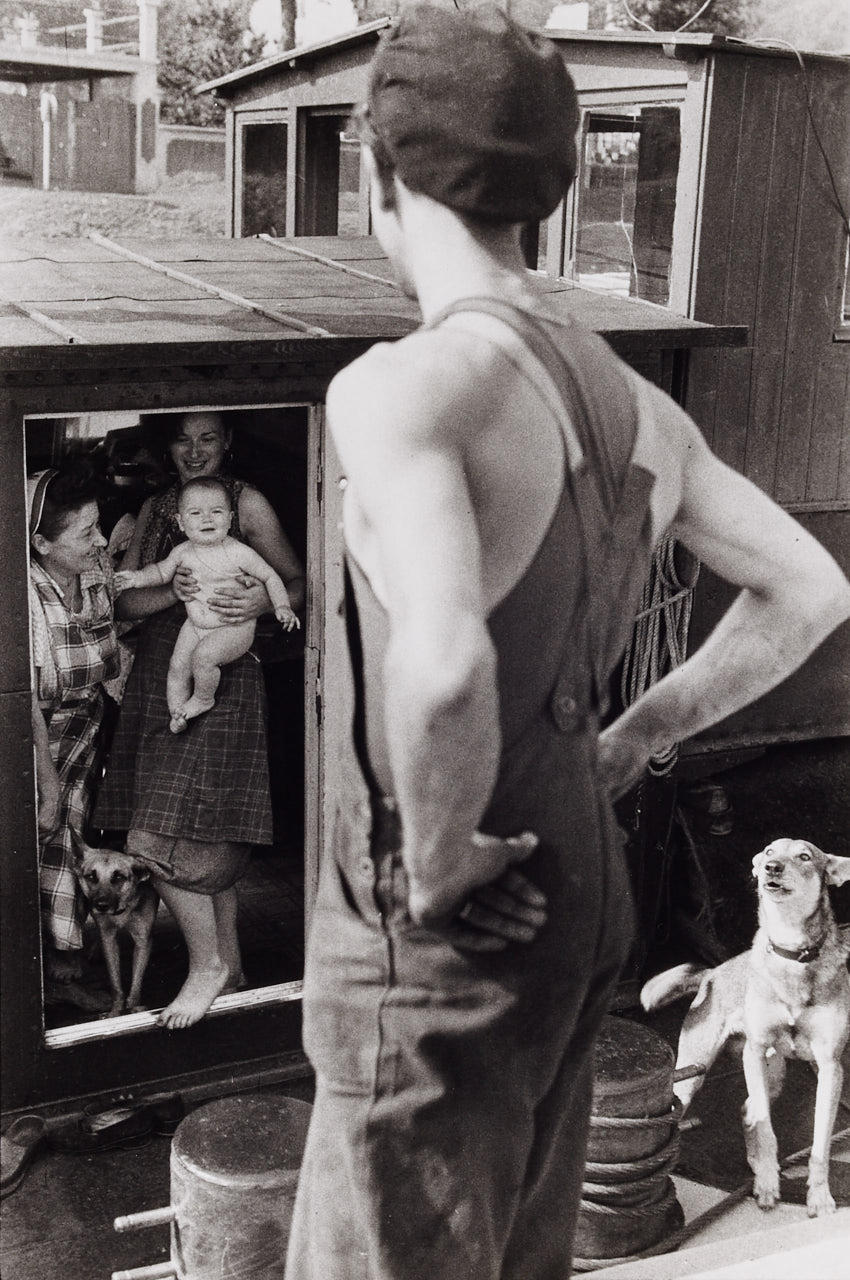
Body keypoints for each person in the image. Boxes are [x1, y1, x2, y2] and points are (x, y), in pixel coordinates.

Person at [284, 7, 850, 1279]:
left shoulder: (401, 388)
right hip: (578, 893)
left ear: (379, 174)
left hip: (450, 929)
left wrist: (435, 862)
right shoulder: (630, 400)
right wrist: (636, 732)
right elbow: (807, 589)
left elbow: (443, 667)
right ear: (546, 194)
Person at [95, 410, 305, 1031]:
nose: (195, 450)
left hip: (225, 674)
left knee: (175, 827)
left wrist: (264, 599)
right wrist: (175, 588)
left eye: (207, 437)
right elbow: (127, 601)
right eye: (183, 439)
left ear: (229, 442)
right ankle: (229, 966)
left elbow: (298, 579)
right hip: (161, 678)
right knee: (173, 825)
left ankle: (208, 964)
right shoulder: (161, 505)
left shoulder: (248, 504)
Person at [28, 464, 119, 1015]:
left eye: (98, 526)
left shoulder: (92, 571)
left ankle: (64, 972)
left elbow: (118, 618)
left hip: (84, 737)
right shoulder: (22, 597)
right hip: (37, 744)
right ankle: (46, 981)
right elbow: (21, 702)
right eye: (87, 533)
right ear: (41, 543)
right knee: (43, 853)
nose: (101, 540)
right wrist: (45, 782)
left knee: (74, 853)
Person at [116, 476, 300, 734]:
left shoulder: (238, 552)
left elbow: (270, 575)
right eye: (195, 513)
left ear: (230, 518)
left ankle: (203, 698)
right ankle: (177, 712)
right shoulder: (183, 552)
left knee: (203, 658)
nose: (207, 519)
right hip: (196, 624)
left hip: (233, 627)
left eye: (216, 512)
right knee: (178, 667)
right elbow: (159, 573)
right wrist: (136, 579)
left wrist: (280, 605)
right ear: (181, 522)